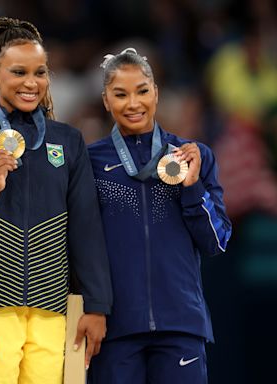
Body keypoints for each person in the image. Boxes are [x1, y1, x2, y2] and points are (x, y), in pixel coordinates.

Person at [0, 16, 113, 384]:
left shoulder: (67, 141)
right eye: (19, 72)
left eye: (40, 72)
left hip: (51, 305)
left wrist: (96, 306)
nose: (32, 83)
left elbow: (85, 227)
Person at [87, 48, 232, 384]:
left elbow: (217, 241)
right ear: (106, 101)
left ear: (157, 93)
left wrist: (192, 188)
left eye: (142, 91)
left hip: (180, 324)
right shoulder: (90, 161)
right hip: (115, 328)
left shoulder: (192, 156)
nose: (133, 103)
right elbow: (80, 241)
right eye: (120, 94)